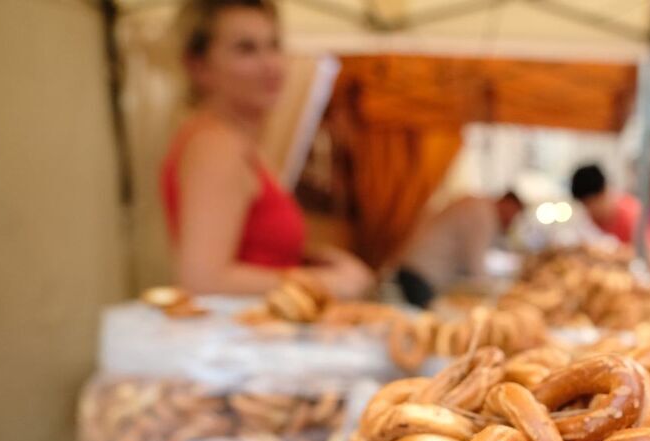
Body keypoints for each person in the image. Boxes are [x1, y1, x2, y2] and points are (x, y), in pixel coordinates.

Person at [163, 0, 373, 298]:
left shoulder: (237, 143)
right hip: (232, 339)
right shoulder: (215, 146)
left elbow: (249, 251)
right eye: (246, 49)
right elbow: (202, 280)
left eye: (274, 45)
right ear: (198, 67)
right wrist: (327, 282)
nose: (271, 64)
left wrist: (310, 259)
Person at [390, 192, 524, 308]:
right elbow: (475, 262)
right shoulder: (483, 215)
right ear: (508, 205)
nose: (511, 220)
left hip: (415, 266)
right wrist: (494, 293)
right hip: (422, 272)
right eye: (513, 215)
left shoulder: (477, 206)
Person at [570, 163, 650, 297]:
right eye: (586, 205)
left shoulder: (631, 213)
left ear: (605, 192)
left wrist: (613, 255)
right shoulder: (591, 219)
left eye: (593, 203)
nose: (591, 210)